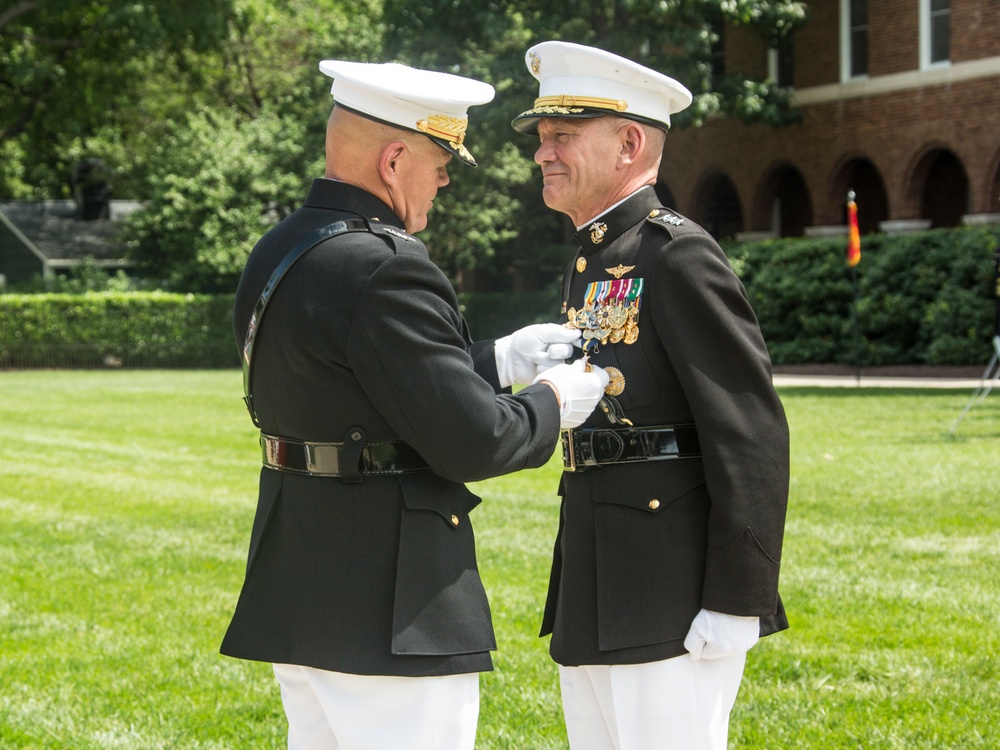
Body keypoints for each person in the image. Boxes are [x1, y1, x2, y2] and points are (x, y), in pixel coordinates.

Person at [221, 58, 609, 750]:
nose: (446, 180)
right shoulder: (388, 264)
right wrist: (554, 399)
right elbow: (474, 440)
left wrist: (500, 359)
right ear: (396, 159)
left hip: (303, 577)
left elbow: (364, 385)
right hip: (391, 601)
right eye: (440, 161)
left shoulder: (282, 247)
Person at [511, 41, 791, 750]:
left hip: (674, 589)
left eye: (563, 136)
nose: (542, 153)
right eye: (542, 137)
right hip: (599, 579)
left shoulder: (678, 254)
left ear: (630, 142)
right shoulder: (591, 256)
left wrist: (739, 599)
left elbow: (750, 434)